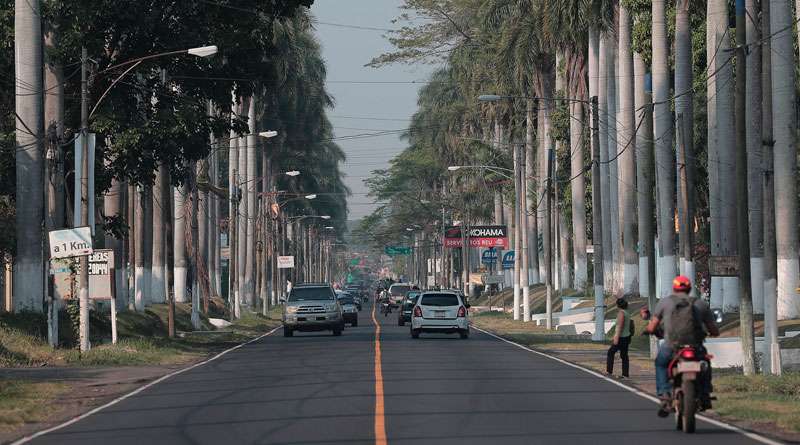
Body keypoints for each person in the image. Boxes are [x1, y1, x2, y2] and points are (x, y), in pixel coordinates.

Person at [645, 275, 719, 417]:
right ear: (690, 288)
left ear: (674, 288)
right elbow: (713, 329)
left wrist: (649, 330)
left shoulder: (664, 303)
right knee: (706, 364)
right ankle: (705, 394)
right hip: (695, 347)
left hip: (671, 347)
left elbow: (652, 325)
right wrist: (713, 333)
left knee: (660, 364)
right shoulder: (700, 304)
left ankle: (665, 393)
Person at [606, 296, 633, 378]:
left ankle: (609, 371)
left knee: (611, 352)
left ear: (618, 305)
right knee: (624, 355)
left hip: (621, 337)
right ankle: (625, 374)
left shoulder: (621, 313)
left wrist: (616, 337)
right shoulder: (627, 312)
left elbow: (620, 326)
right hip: (627, 336)